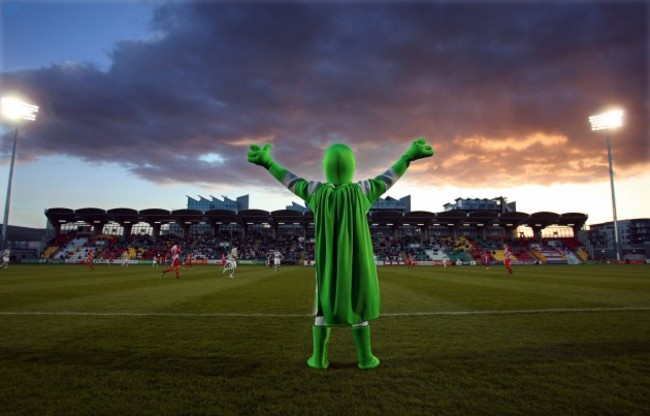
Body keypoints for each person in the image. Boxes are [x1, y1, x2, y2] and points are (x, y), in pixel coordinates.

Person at [248, 137, 433, 370]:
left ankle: (319, 357)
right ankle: (365, 358)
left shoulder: (316, 192)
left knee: (323, 303)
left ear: (325, 167)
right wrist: (408, 156)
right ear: (352, 166)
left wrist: (267, 162)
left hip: (327, 264)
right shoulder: (362, 191)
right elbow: (389, 177)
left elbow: (290, 180)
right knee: (359, 301)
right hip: (357, 263)